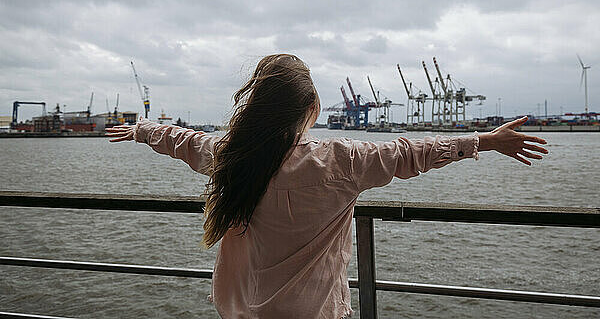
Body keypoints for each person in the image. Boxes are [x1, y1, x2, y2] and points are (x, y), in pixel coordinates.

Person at [107, 54, 548, 319]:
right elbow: (409, 152)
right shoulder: (338, 161)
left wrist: (143, 129)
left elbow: (184, 141)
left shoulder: (230, 156)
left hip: (244, 307)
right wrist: (484, 142)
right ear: (312, 108)